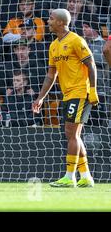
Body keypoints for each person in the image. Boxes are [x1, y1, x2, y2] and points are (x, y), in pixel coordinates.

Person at [32, 9, 98, 188]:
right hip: (67, 94)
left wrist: (92, 90)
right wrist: (40, 98)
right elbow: (51, 75)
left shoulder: (76, 40)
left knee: (71, 133)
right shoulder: (53, 45)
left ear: (61, 22)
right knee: (73, 134)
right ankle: (86, 176)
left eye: (51, 19)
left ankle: (70, 177)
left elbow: (91, 64)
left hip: (80, 92)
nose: (48, 21)